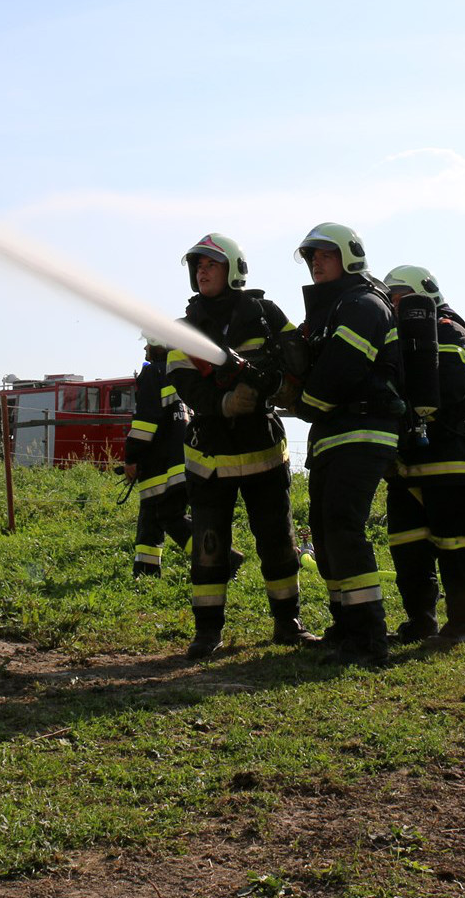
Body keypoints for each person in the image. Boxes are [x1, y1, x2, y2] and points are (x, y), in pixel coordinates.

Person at [165, 234, 316, 658]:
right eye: (197, 266)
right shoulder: (184, 330)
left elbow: (297, 355)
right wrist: (224, 402)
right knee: (209, 545)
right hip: (209, 455)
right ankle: (207, 633)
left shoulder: (265, 314)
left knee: (278, 541)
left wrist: (285, 384)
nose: (202, 271)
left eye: (210, 264)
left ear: (233, 268)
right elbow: (186, 383)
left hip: (263, 451)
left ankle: (289, 624)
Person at [292, 222, 401, 664]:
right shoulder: (333, 307)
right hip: (335, 431)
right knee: (324, 525)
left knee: (343, 526)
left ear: (349, 256)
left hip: (363, 428)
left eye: (324, 254)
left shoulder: (362, 304)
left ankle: (369, 638)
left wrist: (303, 402)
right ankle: (344, 624)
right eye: (310, 257)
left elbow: (341, 367)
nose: (316, 263)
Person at [381, 265, 465, 648]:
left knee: (456, 547)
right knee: (408, 546)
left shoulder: (449, 332)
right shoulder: (402, 339)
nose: (390, 305)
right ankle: (421, 621)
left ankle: (461, 627)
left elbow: (453, 384)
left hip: (451, 460)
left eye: (396, 297)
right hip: (408, 465)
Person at [124, 338, 192, 578]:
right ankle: (145, 571)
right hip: (187, 463)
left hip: (161, 466)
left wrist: (131, 457)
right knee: (151, 517)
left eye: (148, 344)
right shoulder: (183, 373)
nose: (145, 349)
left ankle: (219, 558)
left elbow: (145, 424)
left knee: (168, 517)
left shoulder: (153, 373)